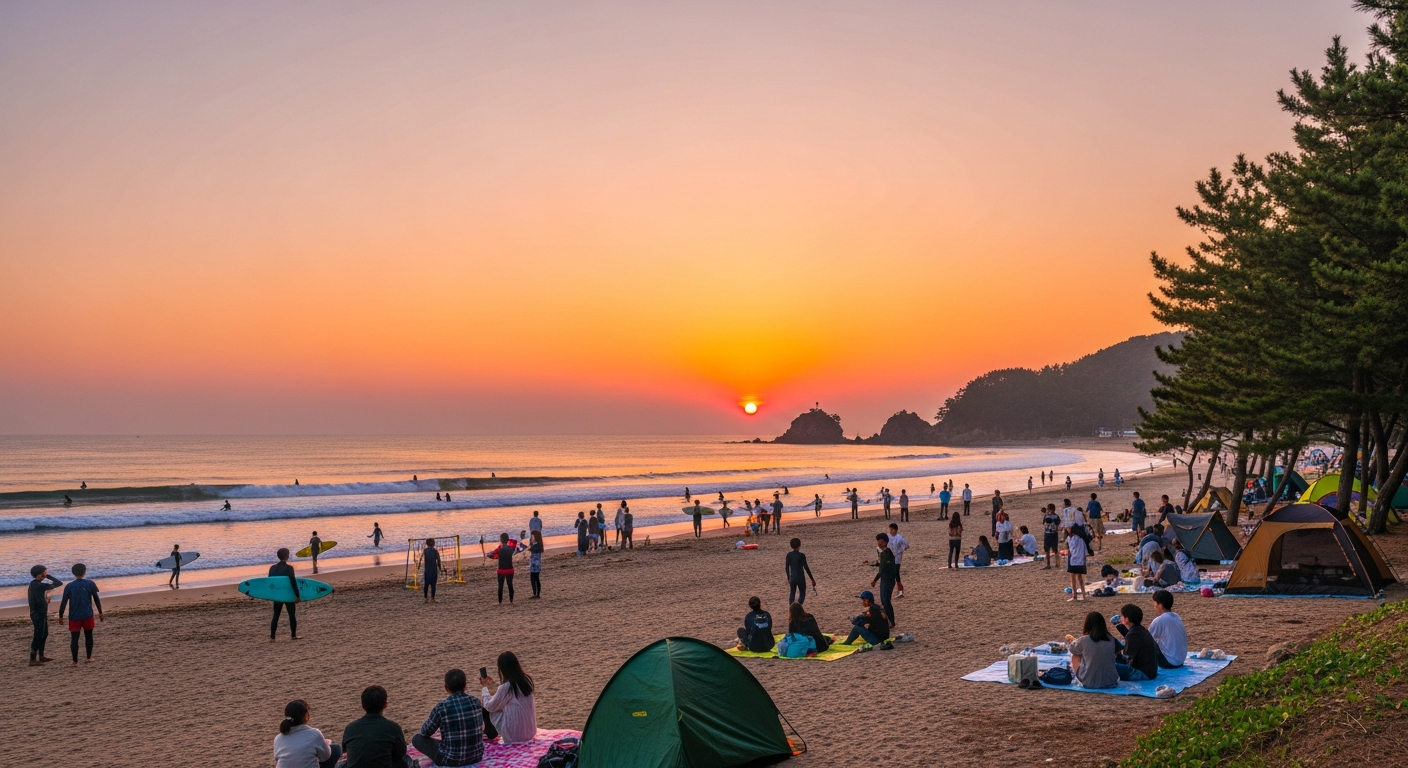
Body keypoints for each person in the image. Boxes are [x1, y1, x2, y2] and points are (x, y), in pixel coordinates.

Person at [413, 669, 485, 767]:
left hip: (450, 760)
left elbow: (425, 732)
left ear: (446, 688)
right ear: (465, 685)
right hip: (476, 756)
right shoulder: (476, 702)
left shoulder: (441, 707)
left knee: (417, 739)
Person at [341, 686, 408, 768]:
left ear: (362, 705)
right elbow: (400, 753)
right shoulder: (393, 727)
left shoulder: (350, 728)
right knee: (406, 761)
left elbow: (346, 750)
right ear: (385, 705)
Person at [479, 652, 537, 744]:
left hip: (514, 736)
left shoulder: (507, 687)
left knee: (486, 705)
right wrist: (492, 685)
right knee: (495, 702)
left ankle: (489, 733)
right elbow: (504, 695)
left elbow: (490, 706)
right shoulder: (526, 680)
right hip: (530, 732)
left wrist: (485, 688)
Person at [57, 563, 103, 665]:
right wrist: (100, 612)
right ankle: (89, 657)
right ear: (84, 572)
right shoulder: (90, 583)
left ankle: (75, 661)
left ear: (73, 573)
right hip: (87, 614)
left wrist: (60, 616)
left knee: (74, 638)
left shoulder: (69, 586)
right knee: (89, 636)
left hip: (74, 616)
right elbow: (96, 598)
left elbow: (64, 602)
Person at [274, 699, 341, 768]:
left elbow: (277, 758)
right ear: (307, 716)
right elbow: (325, 757)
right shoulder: (314, 734)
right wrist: (325, 744)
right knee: (335, 748)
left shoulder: (278, 738)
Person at [1064, 611, 1119, 689]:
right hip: (1111, 681)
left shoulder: (1084, 640)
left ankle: (1079, 678)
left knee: (1075, 655)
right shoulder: (1111, 639)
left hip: (1089, 682)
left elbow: (1072, 649)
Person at [1113, 604, 1159, 681]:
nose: (1121, 618)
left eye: (1122, 616)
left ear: (1127, 619)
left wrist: (1117, 655)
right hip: (1151, 671)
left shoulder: (1133, 634)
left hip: (1143, 673)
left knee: (1107, 666)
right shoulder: (1141, 630)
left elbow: (1127, 658)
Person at [27, 564, 62, 665]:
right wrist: (48, 576)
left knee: (44, 633)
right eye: (45, 572)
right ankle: (32, 659)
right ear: (39, 575)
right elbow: (58, 583)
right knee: (38, 634)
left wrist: (46, 597)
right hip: (37, 613)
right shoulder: (37, 585)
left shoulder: (36, 584)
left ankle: (41, 656)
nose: (46, 574)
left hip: (41, 612)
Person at [1146, 590, 1188, 668]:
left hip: (1169, 662)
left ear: (1160, 605)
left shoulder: (1159, 620)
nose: (1154, 605)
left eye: (1155, 602)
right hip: (1180, 660)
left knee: (1146, 643)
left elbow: (1146, 639)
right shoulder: (1176, 616)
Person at [268, 548, 301, 641]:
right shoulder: (289, 568)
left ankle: (272, 637)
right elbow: (293, 583)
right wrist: (297, 596)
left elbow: (270, 583)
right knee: (291, 615)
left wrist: (271, 595)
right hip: (288, 594)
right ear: (287, 556)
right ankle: (293, 635)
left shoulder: (272, 568)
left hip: (277, 595)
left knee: (276, 615)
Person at [870, 532, 897, 627]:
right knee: (884, 601)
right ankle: (889, 621)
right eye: (878, 542)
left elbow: (884, 569)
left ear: (886, 542)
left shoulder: (887, 553)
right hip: (885, 580)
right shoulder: (883, 554)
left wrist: (875, 580)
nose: (879, 543)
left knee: (886, 601)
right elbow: (881, 567)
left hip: (888, 580)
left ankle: (891, 622)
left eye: (881, 542)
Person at [489, 533, 525, 605]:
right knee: (510, 585)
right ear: (507, 540)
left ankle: (499, 602)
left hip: (501, 570)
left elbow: (491, 555)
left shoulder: (499, 549)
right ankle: (511, 601)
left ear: (501, 540)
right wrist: (511, 541)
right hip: (510, 570)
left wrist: (492, 554)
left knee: (500, 586)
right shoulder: (511, 549)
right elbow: (520, 547)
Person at [785, 538, 816, 605]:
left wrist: (788, 577)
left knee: (792, 593)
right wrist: (812, 579)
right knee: (802, 593)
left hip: (793, 577)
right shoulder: (801, 555)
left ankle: (791, 607)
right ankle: (798, 605)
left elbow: (787, 567)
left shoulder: (789, 555)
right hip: (800, 577)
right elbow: (806, 567)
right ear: (799, 545)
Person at [1066, 525, 1089, 601]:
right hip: (1080, 561)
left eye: (1068, 528)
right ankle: (1083, 595)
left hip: (1073, 560)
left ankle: (1075, 596)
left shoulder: (1071, 538)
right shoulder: (1081, 539)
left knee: (1074, 578)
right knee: (1079, 578)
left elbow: (1071, 549)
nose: (1067, 529)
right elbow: (1085, 552)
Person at [887, 523, 909, 597]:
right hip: (889, 558)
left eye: (892, 529)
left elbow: (907, 545)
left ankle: (900, 590)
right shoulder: (888, 536)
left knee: (896, 573)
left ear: (896, 530)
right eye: (890, 529)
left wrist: (901, 550)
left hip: (897, 558)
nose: (890, 531)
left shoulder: (899, 538)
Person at [1042, 504, 1062, 569]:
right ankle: (1054, 564)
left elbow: (1044, 523)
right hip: (1050, 533)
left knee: (1052, 549)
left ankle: (1053, 564)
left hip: (1051, 533)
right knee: (1050, 549)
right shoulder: (1053, 516)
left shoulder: (1053, 516)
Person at [422, 538, 441, 603]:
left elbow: (423, 558)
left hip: (427, 569)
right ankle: (432, 598)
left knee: (426, 584)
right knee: (433, 585)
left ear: (426, 544)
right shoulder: (435, 551)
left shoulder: (425, 551)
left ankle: (426, 598)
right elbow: (438, 560)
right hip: (433, 569)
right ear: (434, 544)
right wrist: (440, 568)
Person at [527, 531, 544, 598]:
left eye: (533, 537)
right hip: (533, 564)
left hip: (536, 565)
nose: (532, 538)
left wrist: (530, 548)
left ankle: (536, 594)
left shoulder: (537, 545)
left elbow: (534, 550)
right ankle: (535, 594)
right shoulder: (534, 544)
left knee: (535, 579)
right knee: (534, 579)